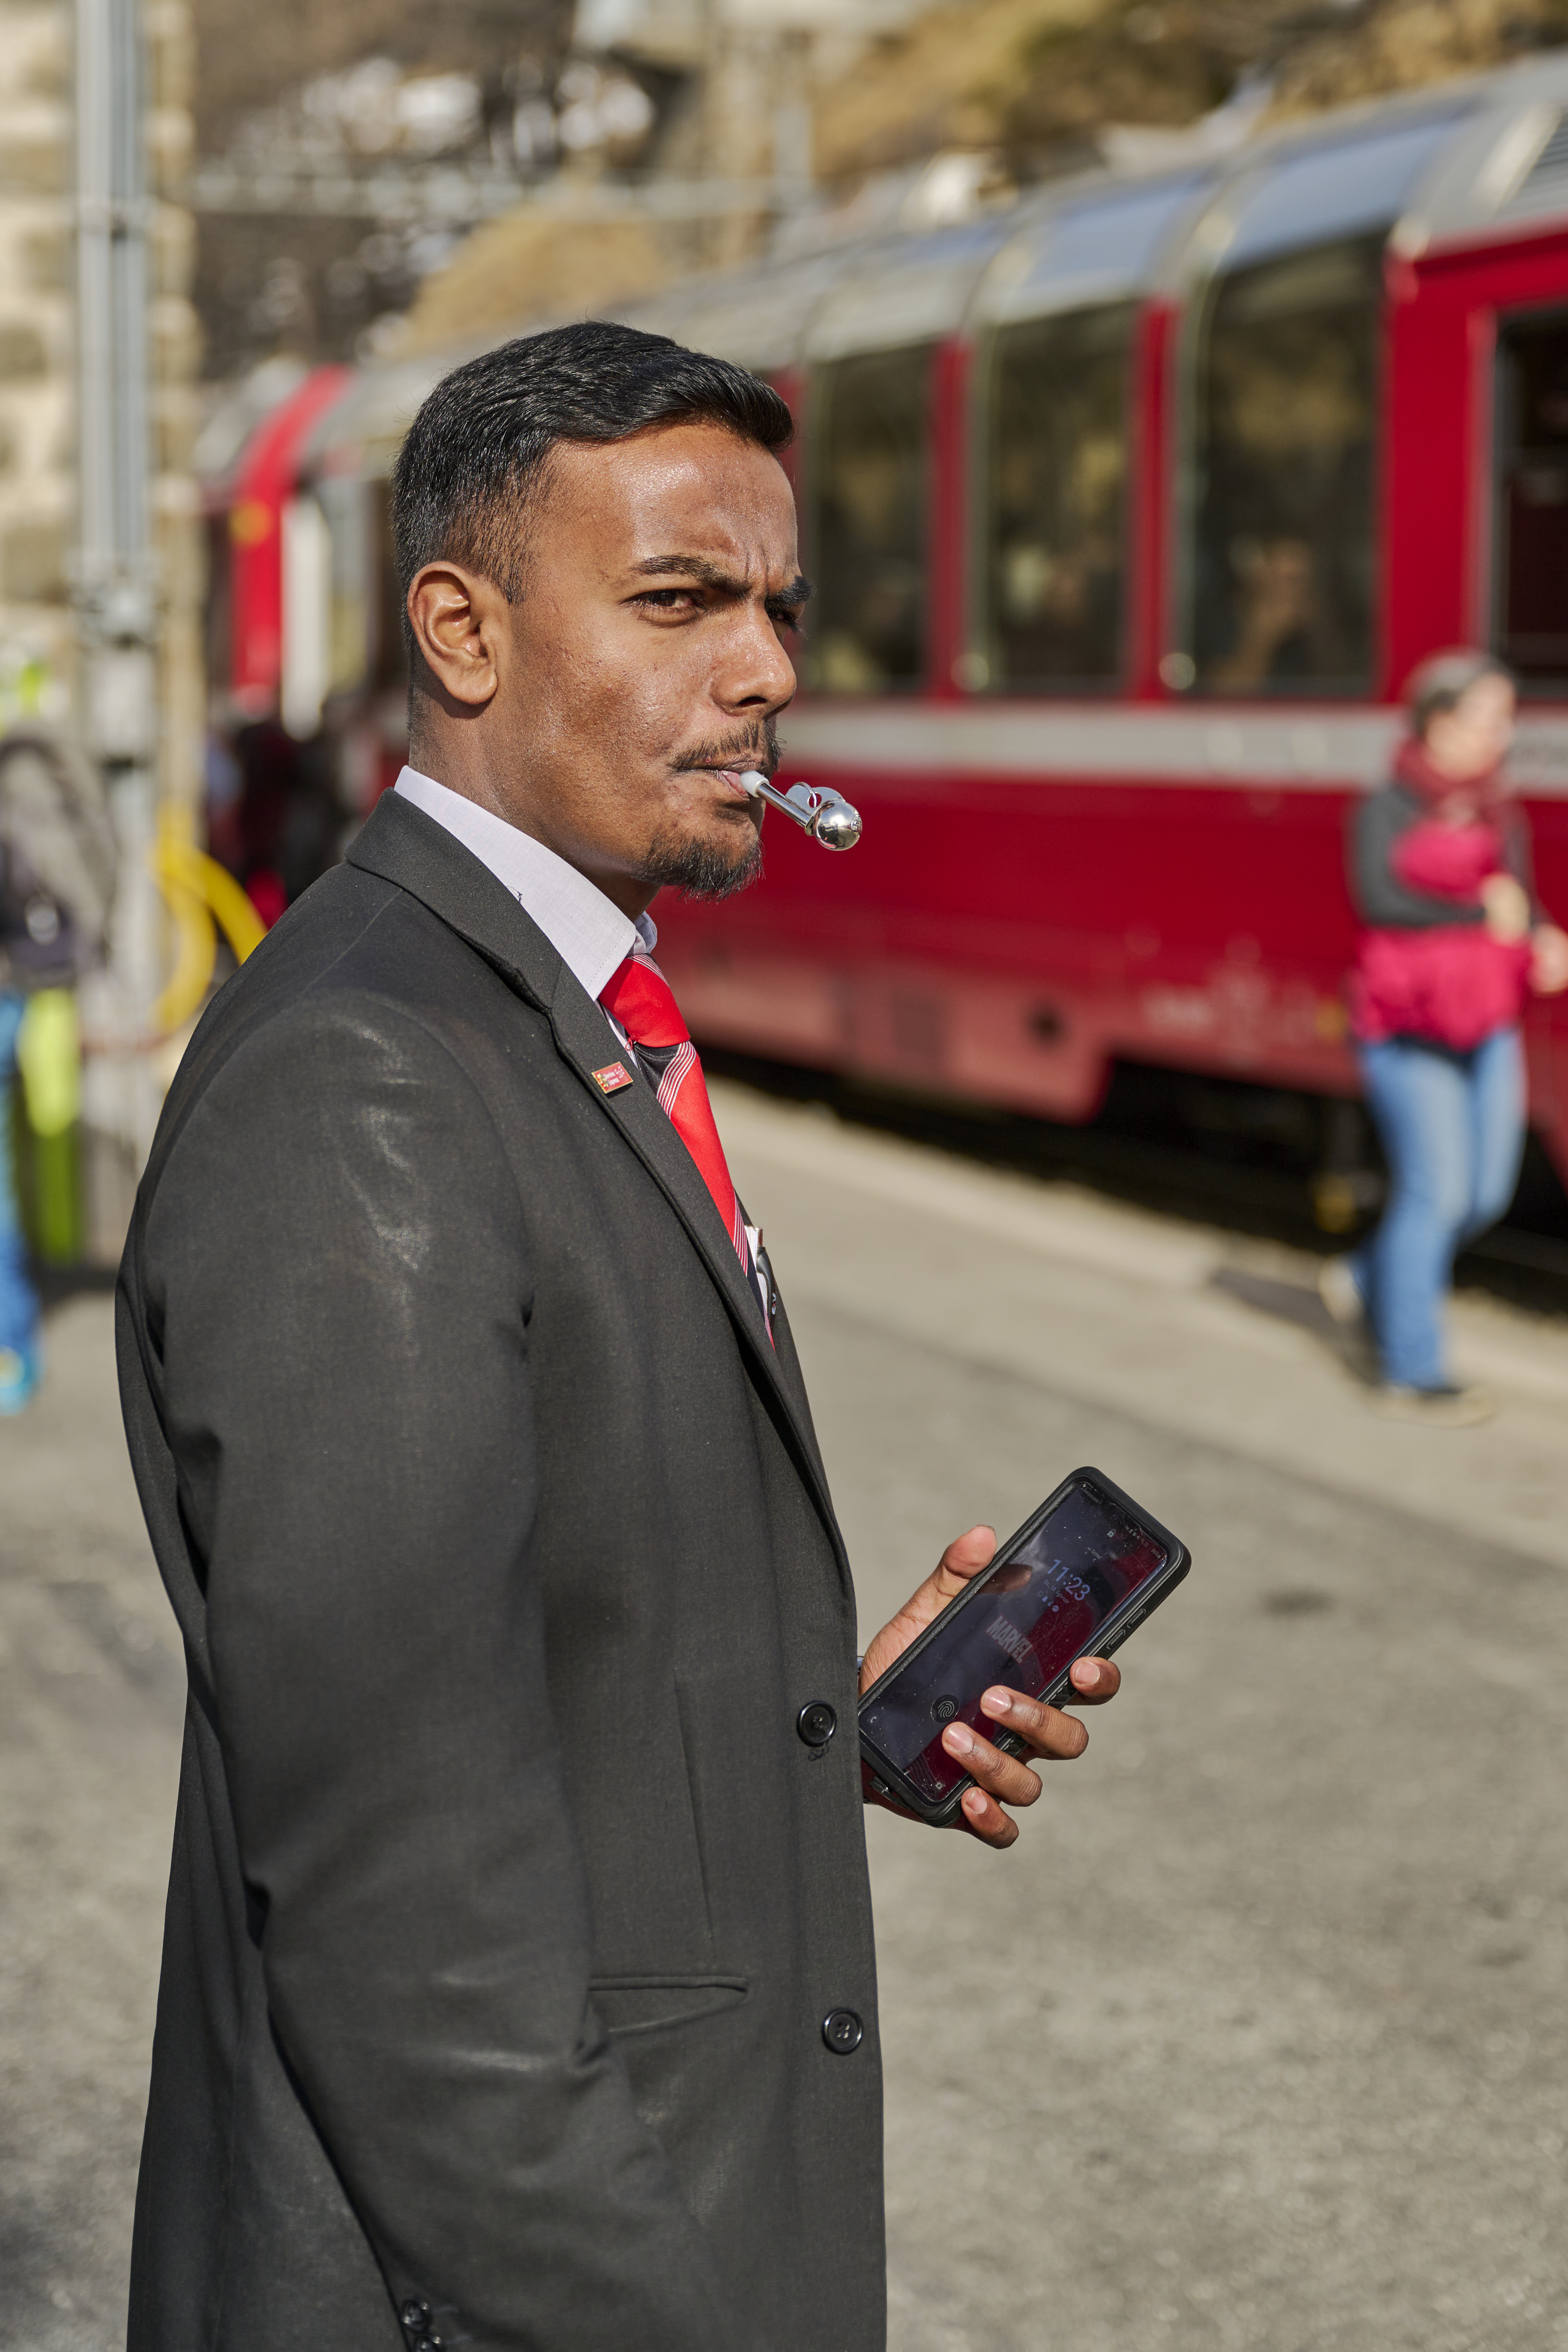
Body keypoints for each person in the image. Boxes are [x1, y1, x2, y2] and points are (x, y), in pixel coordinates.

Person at [117, 323, 1126, 2352]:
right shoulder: (372, 1081)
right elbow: (407, 1911)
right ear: (462, 631)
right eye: (678, 601)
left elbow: (507, 1647)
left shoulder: (535, 1013)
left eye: (776, 608)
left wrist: (809, 1722)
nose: (759, 671)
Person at [1323, 650, 1568, 1423]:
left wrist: (1541, 935)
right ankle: (1410, 1369)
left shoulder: (1498, 808)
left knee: (1485, 1192)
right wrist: (1479, 914)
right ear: (1438, 722)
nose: (1503, 734)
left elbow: (1518, 899)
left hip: (1485, 1019)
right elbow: (1380, 902)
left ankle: (1367, 1278)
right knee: (1437, 1191)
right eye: (1489, 718)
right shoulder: (1386, 806)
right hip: (1407, 1024)